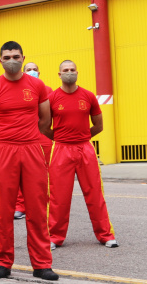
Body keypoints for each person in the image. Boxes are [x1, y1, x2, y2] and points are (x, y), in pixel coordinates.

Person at [0, 41, 57, 281]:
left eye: (16, 55)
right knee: (3, 209)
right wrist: (5, 140)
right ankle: (2, 262)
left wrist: (27, 137)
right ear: (0, 60)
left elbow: (45, 121)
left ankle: (42, 264)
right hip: (4, 150)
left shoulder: (37, 85)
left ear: (23, 57)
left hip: (32, 148)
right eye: (7, 56)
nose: (11, 59)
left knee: (36, 207)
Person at [47, 61, 117, 249]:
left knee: (95, 194)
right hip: (61, 149)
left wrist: (82, 137)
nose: (69, 73)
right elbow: (43, 127)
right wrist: (61, 138)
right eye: (65, 71)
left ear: (77, 72)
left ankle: (105, 235)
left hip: (85, 148)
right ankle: (54, 237)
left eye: (72, 70)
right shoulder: (52, 98)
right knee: (59, 196)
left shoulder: (88, 96)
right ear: (59, 74)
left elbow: (99, 125)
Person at [14, 62, 54, 220]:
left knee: (46, 173)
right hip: (22, 138)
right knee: (19, 173)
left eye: (34, 69)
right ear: (23, 72)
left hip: (43, 138)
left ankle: (46, 204)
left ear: (40, 72)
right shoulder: (16, 89)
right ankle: (20, 205)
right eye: (28, 69)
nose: (32, 71)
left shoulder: (48, 90)